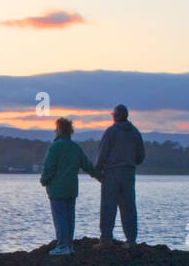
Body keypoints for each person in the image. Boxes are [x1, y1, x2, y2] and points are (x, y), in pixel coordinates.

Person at [39, 116, 99, 256]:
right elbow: (87, 165)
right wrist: (99, 176)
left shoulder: (55, 147)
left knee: (60, 218)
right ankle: (69, 245)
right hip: (72, 188)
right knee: (69, 217)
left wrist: (44, 180)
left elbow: (49, 167)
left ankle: (62, 245)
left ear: (59, 130)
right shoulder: (75, 147)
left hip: (57, 190)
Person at [94, 104, 145, 246]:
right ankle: (131, 240)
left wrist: (96, 171)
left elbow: (102, 154)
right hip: (129, 173)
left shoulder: (110, 132)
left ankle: (106, 239)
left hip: (111, 173)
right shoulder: (135, 132)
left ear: (115, 116)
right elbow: (140, 156)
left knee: (108, 207)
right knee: (128, 207)